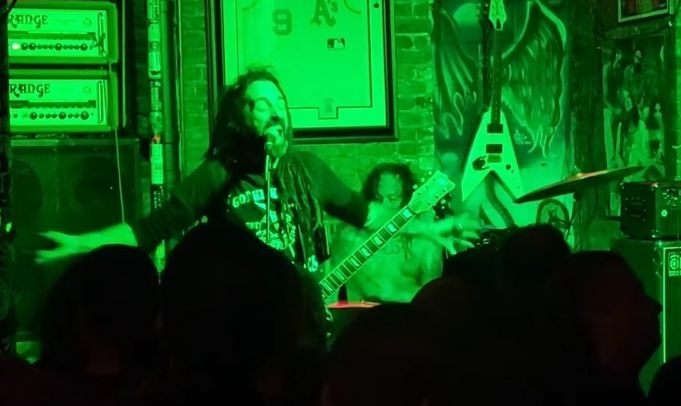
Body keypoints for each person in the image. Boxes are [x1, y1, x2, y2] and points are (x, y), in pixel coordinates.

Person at [35, 69, 476, 279]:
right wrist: (81, 243)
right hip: (245, 320)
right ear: (238, 118)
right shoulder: (218, 174)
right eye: (260, 104)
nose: (274, 109)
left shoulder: (306, 169)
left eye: (279, 101)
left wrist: (430, 229)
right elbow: (148, 230)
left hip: (304, 317)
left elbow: (370, 216)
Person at [331, 162, 444, 303]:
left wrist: (396, 294)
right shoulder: (350, 234)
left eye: (393, 198)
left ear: (408, 200)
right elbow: (332, 291)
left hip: (404, 315)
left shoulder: (425, 242)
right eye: (377, 198)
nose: (383, 206)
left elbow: (433, 299)